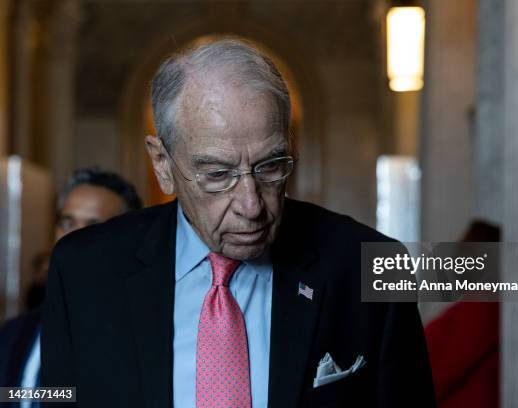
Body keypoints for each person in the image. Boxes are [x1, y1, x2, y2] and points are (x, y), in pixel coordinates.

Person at [41, 40, 435, 407]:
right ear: (162, 164)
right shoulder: (83, 272)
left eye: (271, 166)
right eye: (217, 173)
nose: (251, 206)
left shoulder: (369, 265)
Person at [0, 168, 142, 406]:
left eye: (93, 225)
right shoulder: (15, 332)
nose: (74, 238)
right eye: (67, 222)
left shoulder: (141, 334)